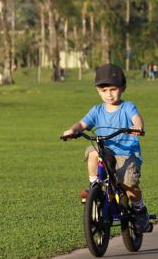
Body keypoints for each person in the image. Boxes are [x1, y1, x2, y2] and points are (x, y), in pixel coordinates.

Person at [61, 64, 149, 231]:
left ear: (123, 88)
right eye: (104, 90)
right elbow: (82, 123)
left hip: (126, 153)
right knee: (93, 152)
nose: (109, 94)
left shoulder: (127, 107)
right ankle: (94, 186)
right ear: (98, 91)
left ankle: (139, 209)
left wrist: (137, 127)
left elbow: (137, 119)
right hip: (105, 150)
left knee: (129, 184)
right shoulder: (97, 110)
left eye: (113, 89)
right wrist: (73, 130)